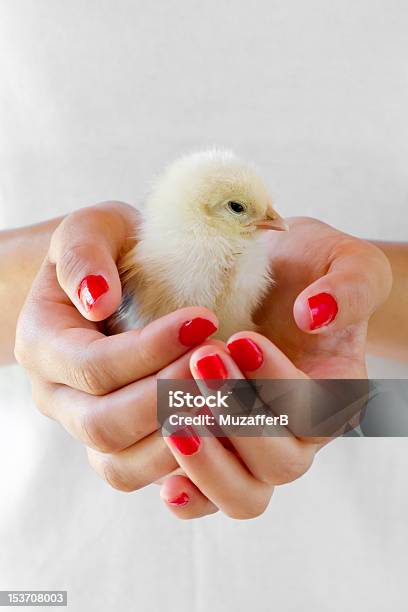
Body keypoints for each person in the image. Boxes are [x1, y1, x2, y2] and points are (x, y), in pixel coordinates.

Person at [1, 2, 407, 610]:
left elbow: (354, 397)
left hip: (364, 567)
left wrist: (361, 403)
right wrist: (63, 290)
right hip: (52, 561)